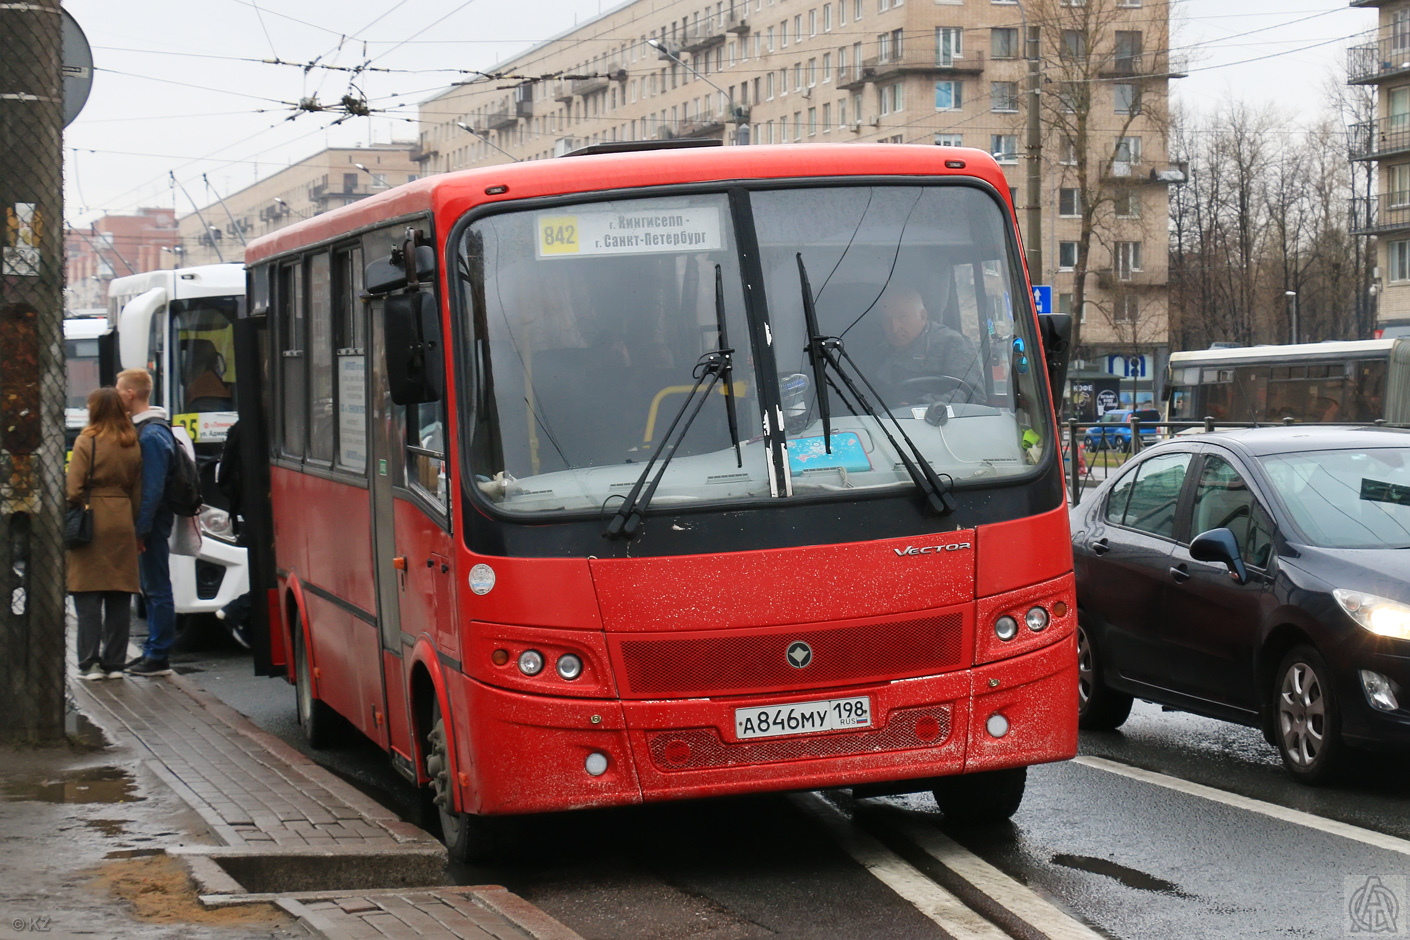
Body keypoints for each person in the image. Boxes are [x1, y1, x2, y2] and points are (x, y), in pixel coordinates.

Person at [116, 366, 190, 677]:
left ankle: (158, 654)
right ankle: (153, 650)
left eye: (120, 389)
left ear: (131, 393)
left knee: (157, 587)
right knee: (152, 586)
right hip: (154, 519)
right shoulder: (154, 429)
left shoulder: (151, 434)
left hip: (153, 520)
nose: (117, 394)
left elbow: (152, 489)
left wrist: (140, 530)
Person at [67, 387, 143, 681]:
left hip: (92, 517)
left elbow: (73, 488)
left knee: (87, 595)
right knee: (119, 595)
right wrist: (133, 521)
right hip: (122, 517)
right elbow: (137, 490)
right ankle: (115, 663)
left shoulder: (88, 440)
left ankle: (89, 663)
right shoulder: (131, 441)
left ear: (95, 409)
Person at [870, 288, 984, 407]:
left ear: (923, 316)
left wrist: (920, 406)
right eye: (886, 320)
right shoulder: (877, 353)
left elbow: (973, 395)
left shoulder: (953, 343)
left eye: (902, 317)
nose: (894, 328)